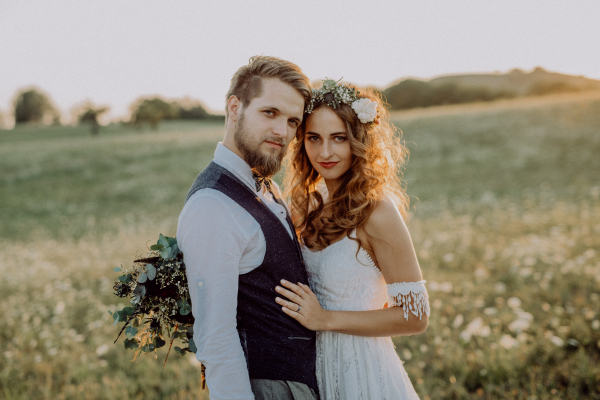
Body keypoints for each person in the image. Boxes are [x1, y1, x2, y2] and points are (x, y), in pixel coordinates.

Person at [275, 80, 430, 399]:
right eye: (314, 138)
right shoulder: (307, 204)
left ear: (358, 141)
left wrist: (325, 319)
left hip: (363, 372)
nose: (325, 152)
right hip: (313, 370)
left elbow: (415, 317)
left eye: (339, 138)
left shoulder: (378, 211)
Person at [177, 56, 319, 400]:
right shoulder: (212, 205)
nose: (282, 132)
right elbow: (216, 339)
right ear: (234, 107)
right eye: (269, 113)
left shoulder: (264, 185)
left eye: (292, 121)